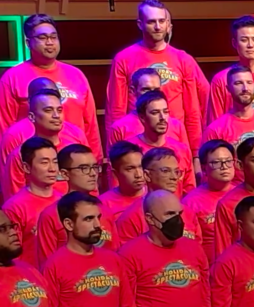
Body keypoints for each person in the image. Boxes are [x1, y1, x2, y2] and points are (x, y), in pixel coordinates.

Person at [107, 0, 206, 157]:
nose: (158, 27)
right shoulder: (123, 59)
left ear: (168, 24)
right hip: (135, 141)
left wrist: (195, 153)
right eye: (152, 22)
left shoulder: (183, 59)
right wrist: (114, 152)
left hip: (174, 138)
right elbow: (116, 110)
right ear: (140, 24)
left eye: (162, 21)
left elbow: (192, 111)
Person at [0, 14, 102, 157]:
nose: (49, 42)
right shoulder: (12, 78)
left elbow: (90, 123)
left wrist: (96, 159)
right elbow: (4, 129)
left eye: (53, 37)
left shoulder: (76, 75)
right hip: (34, 161)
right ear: (28, 43)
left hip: (75, 160)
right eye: (42, 37)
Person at [36, 144, 116, 265]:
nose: (93, 173)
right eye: (84, 168)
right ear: (64, 174)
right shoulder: (51, 215)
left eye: (95, 167)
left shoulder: (105, 210)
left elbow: (115, 254)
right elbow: (47, 264)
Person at [3, 88, 88, 200]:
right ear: (32, 117)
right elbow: (14, 201)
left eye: (59, 110)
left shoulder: (74, 149)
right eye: (48, 110)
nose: (56, 115)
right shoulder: (20, 155)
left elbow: (90, 188)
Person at [202, 65, 254, 183]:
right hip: (231, 192)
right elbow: (208, 176)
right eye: (238, 83)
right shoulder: (215, 130)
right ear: (228, 88)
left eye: (249, 82)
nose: (245, 88)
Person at [115, 148, 203, 242]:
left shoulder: (188, 214)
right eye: (165, 171)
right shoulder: (131, 219)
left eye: (177, 172)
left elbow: (197, 247)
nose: (174, 177)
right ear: (147, 175)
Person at [3, 137, 59, 269]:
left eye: (55, 162)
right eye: (44, 162)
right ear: (26, 167)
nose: (52, 169)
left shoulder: (63, 201)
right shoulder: (14, 208)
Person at [106, 67, 189, 155]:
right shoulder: (119, 129)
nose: (152, 94)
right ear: (133, 90)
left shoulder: (177, 126)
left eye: (156, 90)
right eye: (146, 89)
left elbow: (186, 158)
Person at [129, 90, 195, 194]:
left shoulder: (182, 150)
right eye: (155, 113)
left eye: (165, 112)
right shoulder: (130, 152)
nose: (162, 118)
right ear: (142, 117)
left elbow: (189, 192)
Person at [183, 140, 236, 262]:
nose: (224, 167)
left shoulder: (244, 195)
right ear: (203, 167)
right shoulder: (190, 202)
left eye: (228, 161)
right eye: (216, 162)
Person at [99, 140, 148, 221]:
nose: (139, 175)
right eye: (130, 169)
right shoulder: (103, 204)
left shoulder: (156, 196)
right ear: (115, 173)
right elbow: (103, 229)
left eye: (141, 167)